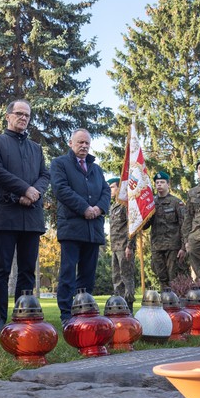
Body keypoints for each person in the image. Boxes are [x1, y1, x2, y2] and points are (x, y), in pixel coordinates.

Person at [0, 100, 49, 332]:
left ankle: (23, 314)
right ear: (8, 116)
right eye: (19, 113)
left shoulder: (36, 148)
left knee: (27, 270)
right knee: (0, 269)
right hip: (6, 213)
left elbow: (45, 175)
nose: (23, 118)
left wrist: (34, 193)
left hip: (31, 215)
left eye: (27, 115)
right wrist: (24, 189)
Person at [50, 129, 111, 323]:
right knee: (68, 273)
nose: (84, 146)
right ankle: (66, 314)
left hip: (93, 229)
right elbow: (61, 189)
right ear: (71, 143)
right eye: (80, 142)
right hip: (72, 227)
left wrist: (99, 208)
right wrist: (84, 208)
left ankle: (84, 311)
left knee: (88, 274)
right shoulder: (59, 164)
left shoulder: (96, 169)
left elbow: (106, 191)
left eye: (87, 143)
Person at [145, 171, 187, 289]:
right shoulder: (151, 203)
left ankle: (176, 299)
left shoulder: (176, 202)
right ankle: (165, 298)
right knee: (161, 276)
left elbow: (184, 226)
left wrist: (183, 247)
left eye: (162, 182)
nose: (159, 184)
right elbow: (145, 226)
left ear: (168, 184)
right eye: (157, 182)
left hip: (173, 246)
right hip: (157, 246)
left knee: (173, 277)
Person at [107, 177, 136, 310]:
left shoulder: (126, 205)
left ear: (120, 188)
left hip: (124, 247)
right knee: (116, 278)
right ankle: (119, 307)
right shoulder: (113, 207)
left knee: (126, 277)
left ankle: (128, 308)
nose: (110, 190)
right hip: (115, 247)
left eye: (112, 187)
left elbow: (132, 227)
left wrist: (130, 246)